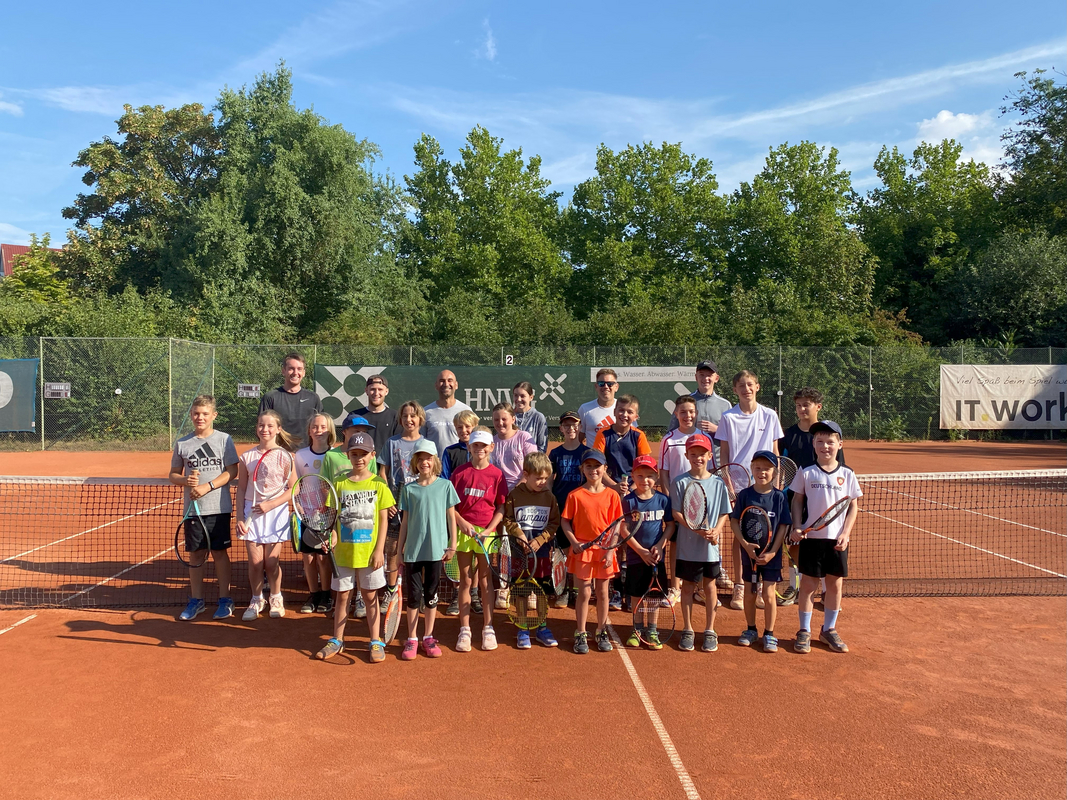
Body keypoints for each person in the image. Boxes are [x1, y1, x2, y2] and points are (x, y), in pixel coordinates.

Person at [315, 431, 394, 663]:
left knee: (370, 597)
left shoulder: (379, 484)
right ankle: (337, 639)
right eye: (354, 454)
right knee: (342, 597)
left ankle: (375, 640)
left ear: (372, 455)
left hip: (369, 554)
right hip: (343, 553)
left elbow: (383, 520)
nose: (359, 458)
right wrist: (331, 535)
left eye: (363, 454)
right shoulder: (339, 483)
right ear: (348, 455)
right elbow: (332, 517)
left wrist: (379, 550)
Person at [788, 421, 861, 655]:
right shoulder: (806, 471)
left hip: (837, 541)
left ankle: (829, 629)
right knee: (808, 585)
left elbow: (853, 506)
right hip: (812, 539)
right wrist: (797, 526)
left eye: (830, 442)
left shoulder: (847, 474)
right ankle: (804, 630)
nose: (825, 446)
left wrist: (846, 534)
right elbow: (797, 500)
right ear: (813, 444)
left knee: (834, 585)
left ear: (840, 444)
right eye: (820, 441)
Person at [716, 370, 784, 610]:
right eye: (741, 385)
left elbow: (775, 453)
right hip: (739, 487)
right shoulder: (728, 417)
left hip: (766, 485)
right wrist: (729, 485)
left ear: (757, 387)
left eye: (750, 384)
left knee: (765, 534)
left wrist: (777, 484)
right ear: (735, 390)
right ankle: (740, 586)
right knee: (740, 537)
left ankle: (762, 586)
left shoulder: (770, 415)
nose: (746, 389)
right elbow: (724, 455)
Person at [169, 395, 239, 621]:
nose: (200, 417)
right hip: (193, 511)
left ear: (214, 416)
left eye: (205, 414)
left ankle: (225, 599)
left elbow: (232, 471)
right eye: (196, 413)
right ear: (191, 415)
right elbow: (173, 475)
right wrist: (185, 481)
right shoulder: (182, 443)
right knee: (196, 554)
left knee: (219, 553)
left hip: (218, 507)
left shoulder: (224, 439)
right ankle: (196, 600)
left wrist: (207, 486)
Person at [777, 387, 845, 605]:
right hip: (794, 498)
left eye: (806, 405)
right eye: (798, 405)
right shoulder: (788, 435)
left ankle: (826, 590)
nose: (802, 409)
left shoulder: (827, 435)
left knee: (827, 542)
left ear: (818, 407)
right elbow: (782, 466)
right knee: (795, 542)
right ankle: (794, 586)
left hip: (823, 498)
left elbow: (840, 467)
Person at [397, 440, 459, 661]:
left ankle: (428, 637)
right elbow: (405, 523)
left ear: (435, 461)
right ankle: (412, 638)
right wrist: (399, 551)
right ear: (415, 462)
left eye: (429, 458)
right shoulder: (409, 489)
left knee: (431, 596)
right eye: (421, 459)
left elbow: (451, 518)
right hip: (413, 552)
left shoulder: (446, 486)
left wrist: (453, 545)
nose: (425, 462)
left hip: (437, 551)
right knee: (414, 597)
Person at [670, 434, 731, 653]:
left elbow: (724, 512)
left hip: (710, 549)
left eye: (702, 454)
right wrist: (696, 529)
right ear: (687, 456)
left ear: (709, 455)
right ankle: (688, 629)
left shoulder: (718, 483)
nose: (698, 458)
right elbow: (676, 513)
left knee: (710, 587)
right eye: (693, 454)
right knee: (687, 587)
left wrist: (717, 530)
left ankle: (710, 630)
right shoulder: (679, 482)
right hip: (687, 548)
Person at [450, 428, 508, 652]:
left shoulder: (497, 475)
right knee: (465, 581)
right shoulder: (459, 473)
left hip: (487, 534)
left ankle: (488, 628)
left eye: (483, 445)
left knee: (485, 581)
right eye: (475, 445)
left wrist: (489, 530)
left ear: (491, 447)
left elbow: (501, 507)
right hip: (464, 533)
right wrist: (461, 523)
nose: (479, 449)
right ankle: (464, 630)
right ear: (469, 447)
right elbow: (451, 506)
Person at [236, 410, 297, 621]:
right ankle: (256, 599)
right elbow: (241, 489)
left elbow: (294, 488)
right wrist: (239, 518)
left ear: (278, 429)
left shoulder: (286, 456)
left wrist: (271, 504)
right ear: (256, 428)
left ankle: (276, 597)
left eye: (270, 426)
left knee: (271, 563)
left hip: (275, 513)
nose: (265, 429)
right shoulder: (246, 457)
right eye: (261, 425)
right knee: (255, 562)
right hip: (251, 513)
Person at [560, 449, 623, 655]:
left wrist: (610, 550)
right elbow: (565, 521)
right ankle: (580, 633)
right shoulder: (575, 495)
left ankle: (601, 631)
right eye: (589, 466)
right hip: (583, 551)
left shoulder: (612, 495)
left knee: (603, 592)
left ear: (605, 469)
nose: (593, 470)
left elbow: (616, 525)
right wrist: (574, 542)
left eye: (597, 466)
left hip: (605, 551)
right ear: (582, 469)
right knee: (585, 592)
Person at [592, 393, 651, 611]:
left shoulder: (638, 436)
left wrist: (632, 488)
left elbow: (644, 466)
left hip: (633, 495)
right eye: (621, 410)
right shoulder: (603, 434)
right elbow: (597, 465)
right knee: (613, 541)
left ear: (636, 416)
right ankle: (615, 589)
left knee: (630, 541)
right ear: (615, 412)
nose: (624, 415)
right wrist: (614, 486)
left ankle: (630, 590)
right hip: (608, 494)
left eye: (629, 412)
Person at [729, 450, 791, 653]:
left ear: (775, 472)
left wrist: (773, 552)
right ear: (752, 469)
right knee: (749, 593)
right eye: (758, 468)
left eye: (767, 469)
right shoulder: (745, 495)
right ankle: (750, 629)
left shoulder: (779, 497)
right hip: (750, 556)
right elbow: (735, 521)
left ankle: (770, 634)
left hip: (771, 556)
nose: (762, 472)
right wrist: (745, 545)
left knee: (768, 594)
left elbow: (783, 526)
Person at [502, 451, 561, 649]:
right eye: (538, 478)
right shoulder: (514, 495)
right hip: (519, 553)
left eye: (546, 478)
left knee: (542, 591)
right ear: (526, 475)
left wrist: (541, 540)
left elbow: (554, 523)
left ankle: (542, 627)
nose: (543, 482)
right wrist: (518, 534)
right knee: (521, 592)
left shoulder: (549, 497)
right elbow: (508, 519)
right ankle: (523, 627)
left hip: (541, 553)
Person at [621, 455, 674, 649]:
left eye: (650, 476)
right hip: (636, 558)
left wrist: (660, 545)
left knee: (653, 597)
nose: (645, 480)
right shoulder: (628, 501)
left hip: (656, 558)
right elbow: (624, 529)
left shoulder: (663, 500)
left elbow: (670, 526)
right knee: (636, 596)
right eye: (640, 475)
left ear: (657, 477)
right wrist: (640, 551)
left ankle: (652, 630)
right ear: (633, 476)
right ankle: (637, 629)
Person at [380, 401, 428, 612]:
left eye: (413, 416)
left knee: (421, 550)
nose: (409, 420)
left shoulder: (426, 443)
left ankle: (421, 593)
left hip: (419, 505)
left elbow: (431, 474)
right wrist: (389, 500)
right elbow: (382, 473)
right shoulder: (392, 443)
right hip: (395, 504)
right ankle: (391, 591)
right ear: (400, 419)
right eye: (405, 416)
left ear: (420, 419)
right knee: (392, 549)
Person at [294, 413, 337, 615]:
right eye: (315, 427)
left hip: (328, 516)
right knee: (309, 558)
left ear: (330, 430)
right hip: (306, 514)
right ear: (309, 431)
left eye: (323, 427)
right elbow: (296, 485)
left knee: (323, 558)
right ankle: (314, 594)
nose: (319, 430)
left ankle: (326, 594)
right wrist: (298, 506)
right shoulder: (300, 455)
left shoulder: (336, 455)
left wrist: (330, 508)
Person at [547, 410, 591, 609]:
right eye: (566, 425)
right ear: (561, 429)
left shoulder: (586, 453)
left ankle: (576, 589)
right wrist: (552, 502)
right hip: (561, 506)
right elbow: (550, 481)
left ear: (579, 427)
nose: (571, 428)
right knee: (562, 551)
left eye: (574, 425)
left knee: (579, 549)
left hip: (581, 508)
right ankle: (563, 589)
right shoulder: (555, 453)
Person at [659, 395, 698, 604]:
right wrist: (668, 497)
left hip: (698, 501)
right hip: (675, 501)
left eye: (691, 412)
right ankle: (675, 587)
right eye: (683, 412)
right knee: (675, 542)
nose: (687, 415)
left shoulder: (704, 437)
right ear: (676, 414)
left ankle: (698, 587)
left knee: (699, 542)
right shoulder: (668, 439)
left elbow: (710, 472)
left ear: (696, 414)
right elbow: (664, 472)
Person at [667, 360, 732, 467]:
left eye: (709, 375)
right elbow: (672, 432)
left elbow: (732, 437)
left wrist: (717, 429)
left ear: (716, 378)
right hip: (691, 464)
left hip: (717, 465)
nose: (705, 379)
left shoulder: (725, 405)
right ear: (696, 377)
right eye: (701, 375)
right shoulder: (685, 402)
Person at [259, 352, 321, 449]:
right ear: (283, 371)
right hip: (277, 452)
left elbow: (320, 428)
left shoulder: (313, 398)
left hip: (306, 453)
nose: (295, 373)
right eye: (291, 368)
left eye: (299, 369)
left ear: (304, 373)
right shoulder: (270, 397)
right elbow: (263, 429)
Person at [491, 401, 538, 492]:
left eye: (504, 419)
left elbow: (533, 465)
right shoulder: (491, 442)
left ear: (513, 419)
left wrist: (517, 490)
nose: (500, 423)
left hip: (523, 491)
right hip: (499, 493)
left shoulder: (523, 437)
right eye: (496, 420)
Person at [422, 370, 474, 453]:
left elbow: (473, 439)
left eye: (450, 380)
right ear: (436, 385)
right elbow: (421, 442)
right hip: (434, 461)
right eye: (442, 381)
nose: (446, 384)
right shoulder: (426, 412)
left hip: (459, 461)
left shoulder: (466, 410)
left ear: (456, 385)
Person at [322, 413, 379, 481]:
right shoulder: (330, 455)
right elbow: (324, 482)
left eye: (364, 432)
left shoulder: (370, 456)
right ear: (344, 431)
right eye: (357, 431)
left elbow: (373, 480)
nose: (360, 435)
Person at [355, 374, 400, 458]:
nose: (376, 393)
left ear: (386, 391)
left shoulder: (396, 417)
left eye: (380, 389)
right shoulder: (355, 416)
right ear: (366, 391)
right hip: (361, 464)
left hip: (387, 465)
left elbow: (399, 446)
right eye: (372, 389)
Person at [578, 368, 619, 447]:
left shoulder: (624, 409)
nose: (606, 386)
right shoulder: (585, 409)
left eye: (610, 383)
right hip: (593, 454)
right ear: (596, 386)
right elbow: (578, 440)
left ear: (616, 387)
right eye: (601, 383)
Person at [441, 409, 478, 480]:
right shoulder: (450, 451)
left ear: (475, 427)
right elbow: (444, 478)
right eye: (460, 427)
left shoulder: (482, 450)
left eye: (467, 426)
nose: (463, 430)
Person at [512, 381, 548, 452]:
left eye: (522, 396)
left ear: (531, 397)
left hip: (532, 459)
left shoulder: (538, 417)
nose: (518, 399)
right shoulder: (508, 417)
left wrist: (531, 459)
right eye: (516, 395)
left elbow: (542, 448)